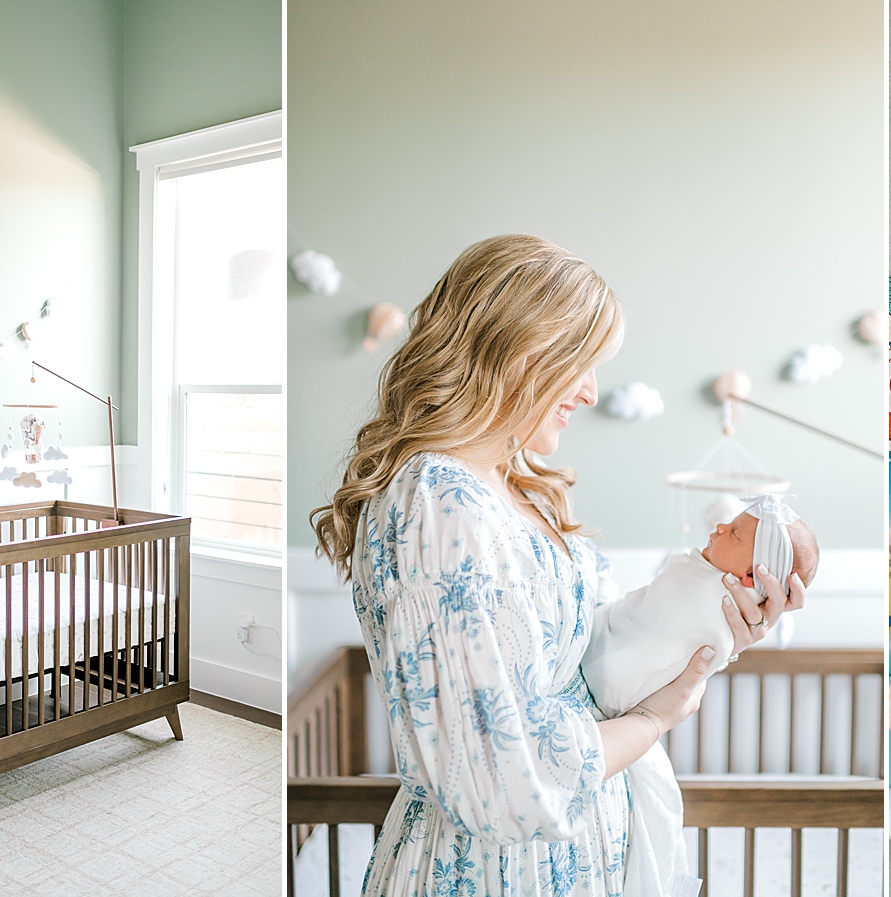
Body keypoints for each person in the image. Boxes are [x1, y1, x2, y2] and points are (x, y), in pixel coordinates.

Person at [311, 234, 805, 895]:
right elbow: (497, 782)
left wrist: (712, 624)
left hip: (579, 857)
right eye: (583, 363)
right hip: (494, 873)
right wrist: (655, 720)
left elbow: (597, 664)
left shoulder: (513, 483)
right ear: (521, 350)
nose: (593, 392)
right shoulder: (436, 497)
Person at [580, 495, 818, 894]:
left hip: (607, 693)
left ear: (749, 577)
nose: (721, 526)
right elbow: (644, 614)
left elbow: (689, 641)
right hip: (600, 651)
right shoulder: (702, 573)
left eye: (735, 532)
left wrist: (725, 647)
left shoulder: (717, 599)